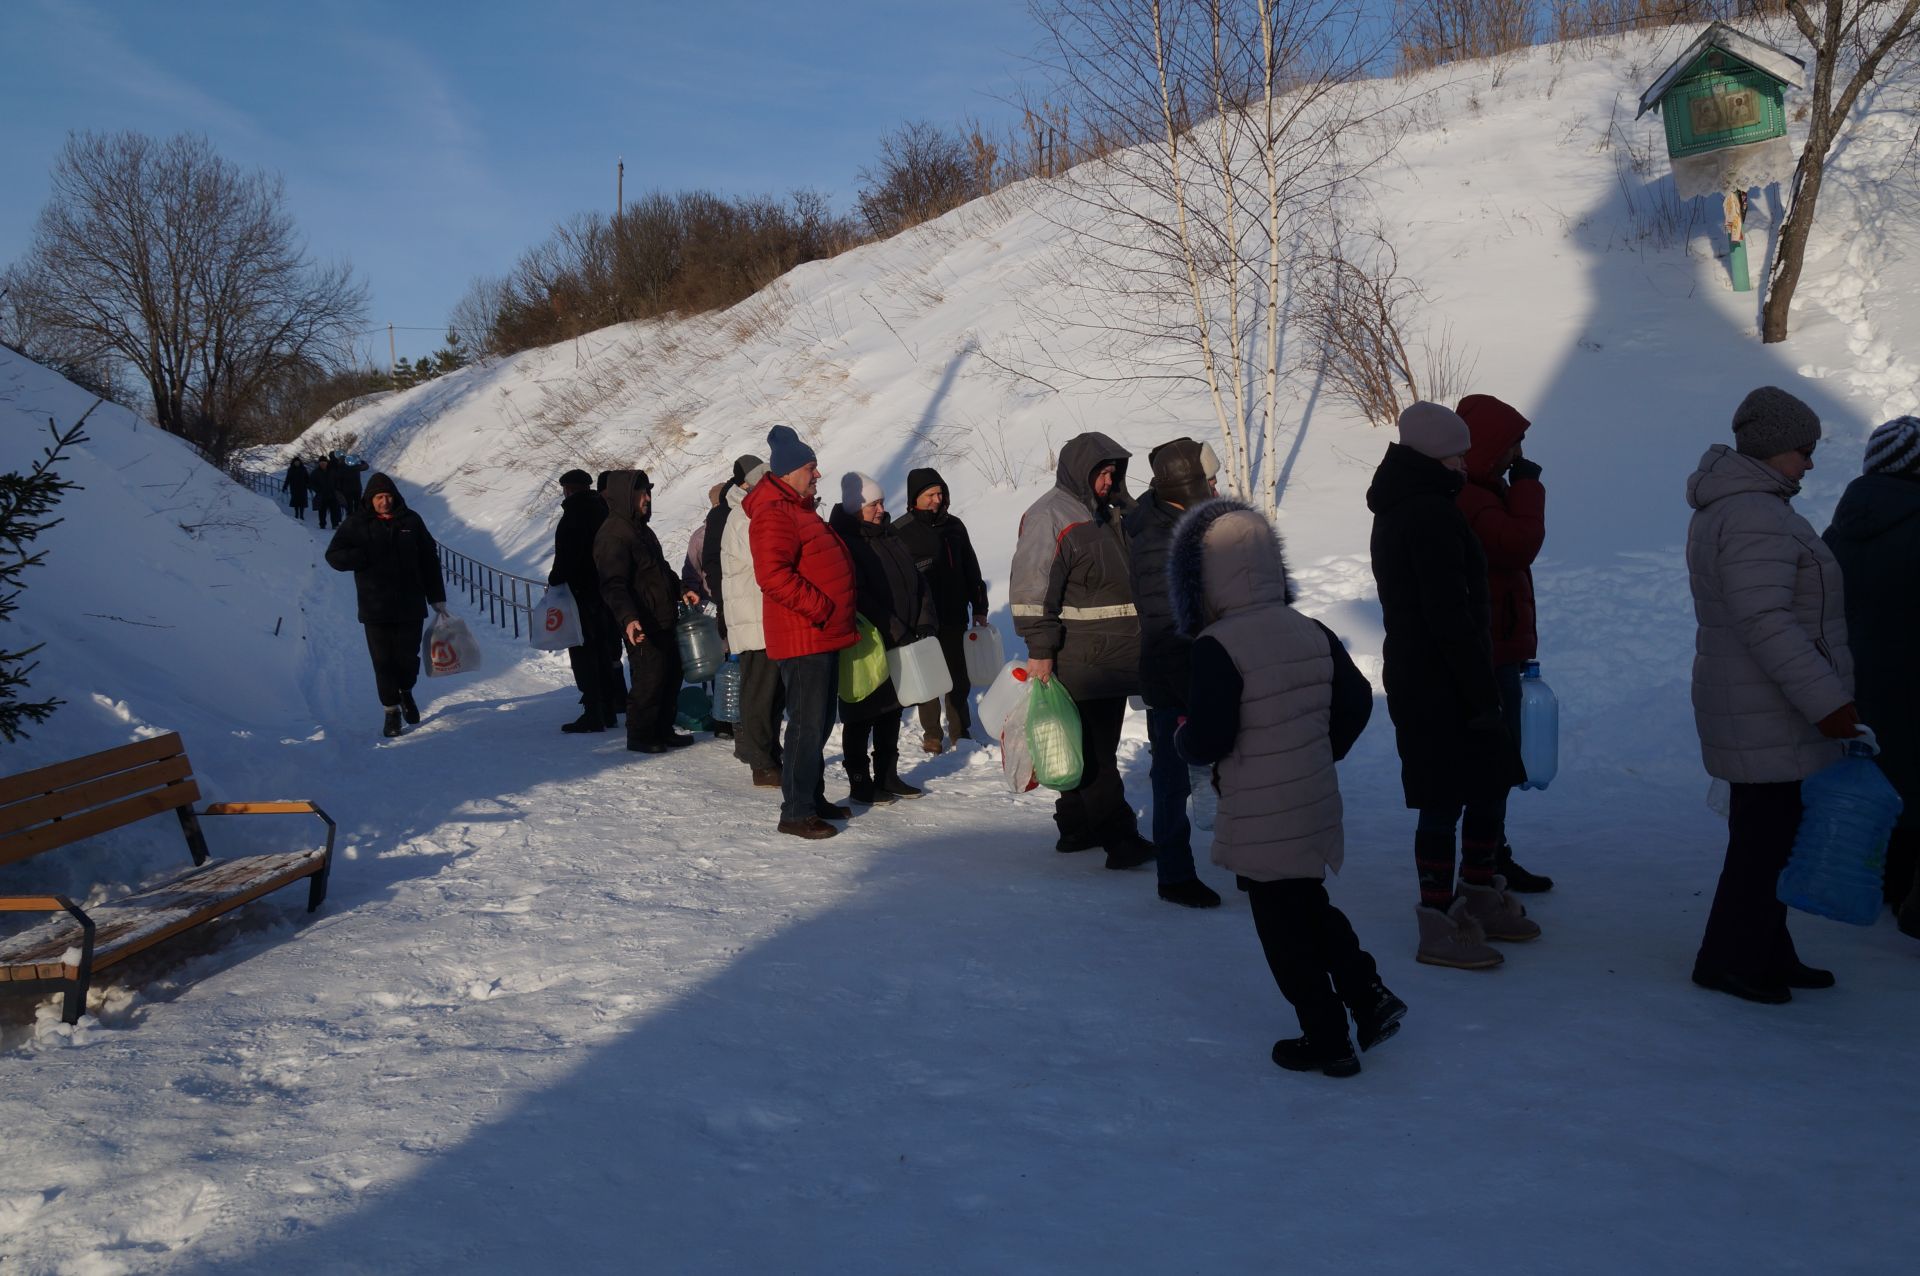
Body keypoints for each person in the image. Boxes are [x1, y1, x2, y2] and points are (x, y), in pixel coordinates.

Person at [1173, 498, 1403, 1077]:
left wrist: (1184, 743)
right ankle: (1367, 992)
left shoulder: (1216, 645)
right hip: (1311, 794)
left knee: (1282, 927)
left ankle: (1326, 1036)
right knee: (1306, 900)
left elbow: (1210, 737)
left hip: (1258, 806)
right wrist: (1317, 752)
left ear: (1200, 580)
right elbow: (1355, 703)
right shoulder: (1311, 629)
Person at [1687, 387, 1862, 1002]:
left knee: (1770, 838)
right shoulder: (1753, 514)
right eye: (1803, 451)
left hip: (1762, 703)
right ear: (1772, 448)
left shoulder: (1749, 506)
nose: (1809, 464)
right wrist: (1828, 702)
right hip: (1766, 707)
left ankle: (1765, 948)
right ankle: (1729, 961)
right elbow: (1767, 621)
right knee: (1763, 842)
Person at [1368, 402, 1535, 971]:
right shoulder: (1425, 512)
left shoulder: (1420, 503)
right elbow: (1448, 614)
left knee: (1487, 781)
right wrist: (1479, 691)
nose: (1465, 463)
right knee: (1445, 797)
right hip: (1437, 678)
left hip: (1436, 673)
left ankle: (1480, 894)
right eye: (1456, 454)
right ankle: (1438, 921)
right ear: (1433, 455)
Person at [1010, 433, 1155, 870]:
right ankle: (1121, 839)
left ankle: (1075, 829)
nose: (1109, 480)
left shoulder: (1108, 516)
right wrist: (1040, 648)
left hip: (1112, 656)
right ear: (1080, 470)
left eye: (1114, 472)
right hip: (1080, 658)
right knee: (1096, 755)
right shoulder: (1050, 516)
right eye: (1102, 471)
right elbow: (1032, 589)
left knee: (1083, 747)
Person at [1823, 416, 1920, 936]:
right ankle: (1906, 893)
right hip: (1911, 678)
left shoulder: (1839, 528)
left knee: (1875, 772)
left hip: (1851, 680)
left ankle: (1876, 875)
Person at [1454, 394, 1553, 893]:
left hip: (1498, 645)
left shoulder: (1481, 491)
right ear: (1492, 446)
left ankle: (1493, 854)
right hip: (1490, 651)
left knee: (1496, 763)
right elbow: (1518, 545)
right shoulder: (1472, 498)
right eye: (1514, 442)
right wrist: (1530, 489)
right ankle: (1484, 864)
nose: (1519, 452)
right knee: (1493, 766)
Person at [1123, 438, 1223, 908]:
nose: (1218, 486)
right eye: (1210, 479)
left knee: (1227, 773)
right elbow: (1166, 623)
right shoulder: (1157, 539)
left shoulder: (1185, 524)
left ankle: (1245, 861)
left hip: (1205, 672)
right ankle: (1175, 875)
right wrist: (1195, 694)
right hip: (1176, 681)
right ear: (1189, 483)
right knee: (1173, 779)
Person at [747, 425, 858, 839]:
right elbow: (773, 576)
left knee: (820, 723)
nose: (817, 474)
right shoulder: (775, 513)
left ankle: (811, 798)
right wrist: (822, 609)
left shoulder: (797, 507)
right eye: (812, 468)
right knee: (806, 726)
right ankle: (795, 812)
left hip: (821, 633)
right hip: (805, 635)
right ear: (791, 470)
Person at [830, 473, 937, 804]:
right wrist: (894, 629)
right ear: (856, 508)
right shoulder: (846, 542)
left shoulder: (890, 534)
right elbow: (859, 595)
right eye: (873, 504)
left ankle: (888, 775)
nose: (880, 509)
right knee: (862, 712)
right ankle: (860, 781)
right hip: (867, 643)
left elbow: (916, 581)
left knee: (892, 709)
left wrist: (922, 621)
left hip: (903, 638)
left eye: (880, 503)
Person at [324, 472, 448, 738]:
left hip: (410, 604)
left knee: (407, 658)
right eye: (379, 497)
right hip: (374, 607)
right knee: (382, 662)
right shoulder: (356, 523)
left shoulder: (411, 521)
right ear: (370, 499)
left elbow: (429, 558)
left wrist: (436, 595)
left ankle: (406, 691)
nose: (385, 501)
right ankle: (391, 711)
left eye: (388, 496)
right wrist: (362, 556)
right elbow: (333, 556)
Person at [595, 470, 695, 754]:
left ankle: (662, 729)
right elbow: (613, 584)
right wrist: (628, 618)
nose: (647, 498)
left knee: (671, 673)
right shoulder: (613, 534)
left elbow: (660, 570)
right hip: (641, 621)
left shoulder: (640, 529)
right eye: (642, 493)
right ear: (627, 496)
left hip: (662, 616)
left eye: (648, 492)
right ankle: (639, 734)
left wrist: (679, 589)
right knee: (649, 678)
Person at [893, 467, 988, 753]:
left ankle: (961, 732)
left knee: (958, 677)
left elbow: (971, 567)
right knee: (930, 677)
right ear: (915, 498)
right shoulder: (900, 531)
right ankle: (932, 733)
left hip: (955, 613)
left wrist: (979, 605)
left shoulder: (955, 526)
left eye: (940, 493)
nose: (937, 499)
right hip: (922, 619)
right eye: (930, 494)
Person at [720, 462, 785, 787]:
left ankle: (770, 753)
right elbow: (765, 561)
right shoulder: (744, 518)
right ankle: (761, 762)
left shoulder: (752, 514)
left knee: (773, 695)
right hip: (753, 619)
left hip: (764, 618)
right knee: (760, 693)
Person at [548, 468, 625, 733]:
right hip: (604, 591)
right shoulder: (603, 512)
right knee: (603, 649)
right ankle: (608, 708)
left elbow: (566, 560)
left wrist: (554, 580)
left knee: (582, 651)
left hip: (580, 594)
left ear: (568, 489)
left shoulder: (572, 517)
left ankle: (592, 711)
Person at [311, 456, 340, 530]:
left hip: (332, 494)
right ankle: (322, 524)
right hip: (322, 495)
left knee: (334, 510)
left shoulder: (332, 471)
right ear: (319, 463)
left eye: (324, 463)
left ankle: (335, 524)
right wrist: (317, 490)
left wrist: (336, 488)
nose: (323, 464)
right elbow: (311, 483)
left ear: (327, 463)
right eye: (321, 463)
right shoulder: (315, 472)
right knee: (322, 511)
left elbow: (337, 480)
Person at [283, 457, 310, 521]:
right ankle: (296, 514)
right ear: (293, 463)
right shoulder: (291, 469)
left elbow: (307, 478)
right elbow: (288, 479)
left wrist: (309, 485)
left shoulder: (303, 469)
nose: (297, 463)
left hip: (303, 488)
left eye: (298, 462)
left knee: (302, 502)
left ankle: (301, 515)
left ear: (300, 462)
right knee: (295, 502)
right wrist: (285, 486)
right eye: (295, 462)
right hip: (294, 488)